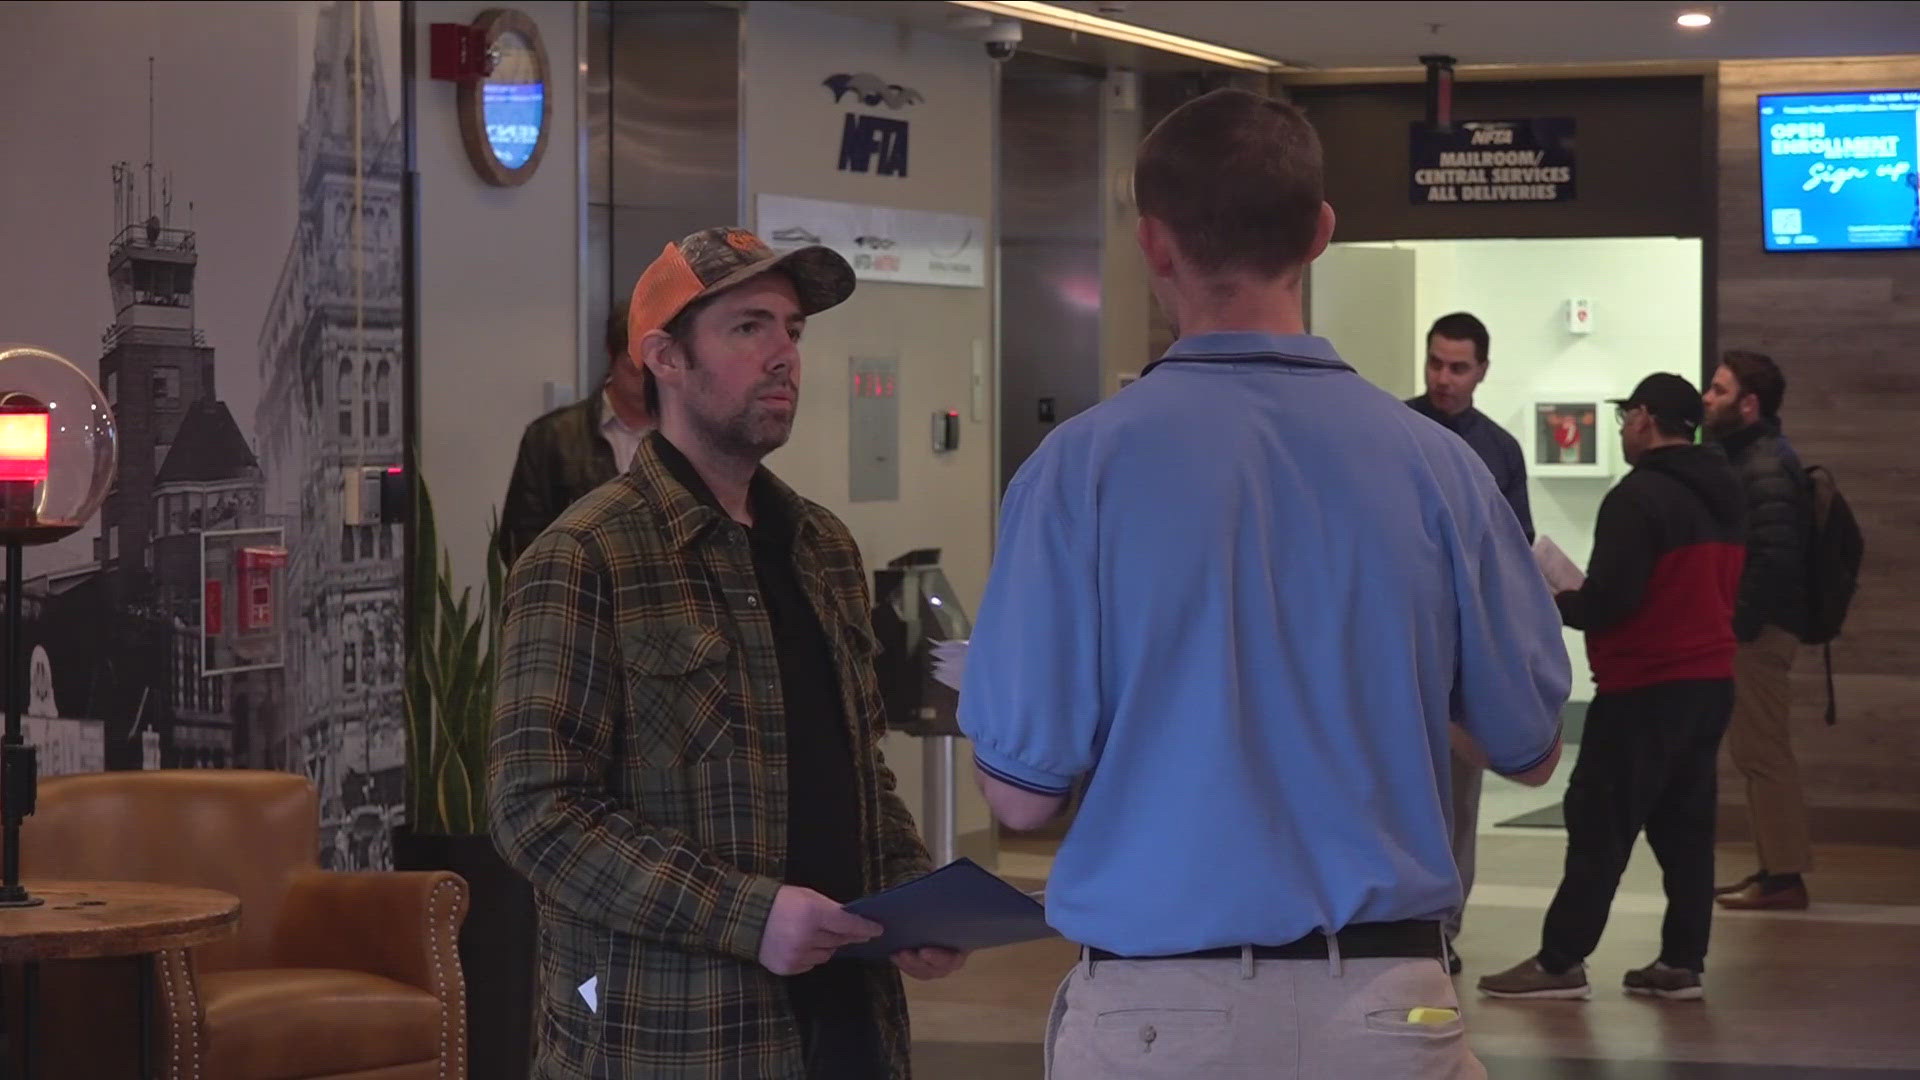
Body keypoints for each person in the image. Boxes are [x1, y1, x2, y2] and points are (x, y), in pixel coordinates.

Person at [958, 88, 1569, 1080]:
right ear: (1322, 233)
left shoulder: (1079, 472)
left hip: (1153, 1013)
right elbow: (1532, 750)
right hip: (1386, 1007)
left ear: (1154, 245)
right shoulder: (1440, 468)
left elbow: (1021, 800)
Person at [489, 227, 963, 1080]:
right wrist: (750, 916)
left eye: (793, 329)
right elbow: (538, 812)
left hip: (847, 1023)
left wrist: (909, 894)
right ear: (665, 358)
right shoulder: (586, 557)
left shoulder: (821, 546)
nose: (785, 354)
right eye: (750, 327)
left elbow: (858, 767)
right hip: (677, 1037)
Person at [1480, 374, 1745, 1003]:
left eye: (1627, 415)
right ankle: (1682, 963)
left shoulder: (1639, 496)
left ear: (1647, 419)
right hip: (1709, 682)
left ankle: (1560, 962)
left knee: (1598, 822)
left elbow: (1612, 602)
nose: (1624, 426)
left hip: (1645, 687)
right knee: (1685, 828)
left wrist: (1556, 595)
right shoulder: (1725, 490)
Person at [1405, 310, 1534, 971]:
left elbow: (1515, 554)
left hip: (1460, 653)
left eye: (1458, 367)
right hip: (1393, 646)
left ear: (1482, 370)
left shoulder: (1499, 450)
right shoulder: (1389, 431)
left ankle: (1443, 928)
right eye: (1435, 364)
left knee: (1457, 797)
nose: (1444, 379)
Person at [1703, 350, 1816, 911]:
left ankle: (1784, 876)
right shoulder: (1752, 457)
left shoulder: (1764, 465)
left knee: (1763, 752)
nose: (1707, 397)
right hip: (1759, 628)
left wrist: (1737, 624)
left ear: (1748, 404)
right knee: (1758, 751)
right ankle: (1775, 868)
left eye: (1719, 391)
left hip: (1760, 633)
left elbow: (1773, 557)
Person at [496, 303, 653, 568]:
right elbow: (520, 539)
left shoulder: (688, 434)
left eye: (653, 369)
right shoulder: (552, 436)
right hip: (580, 594)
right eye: (634, 369)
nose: (646, 381)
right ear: (612, 357)